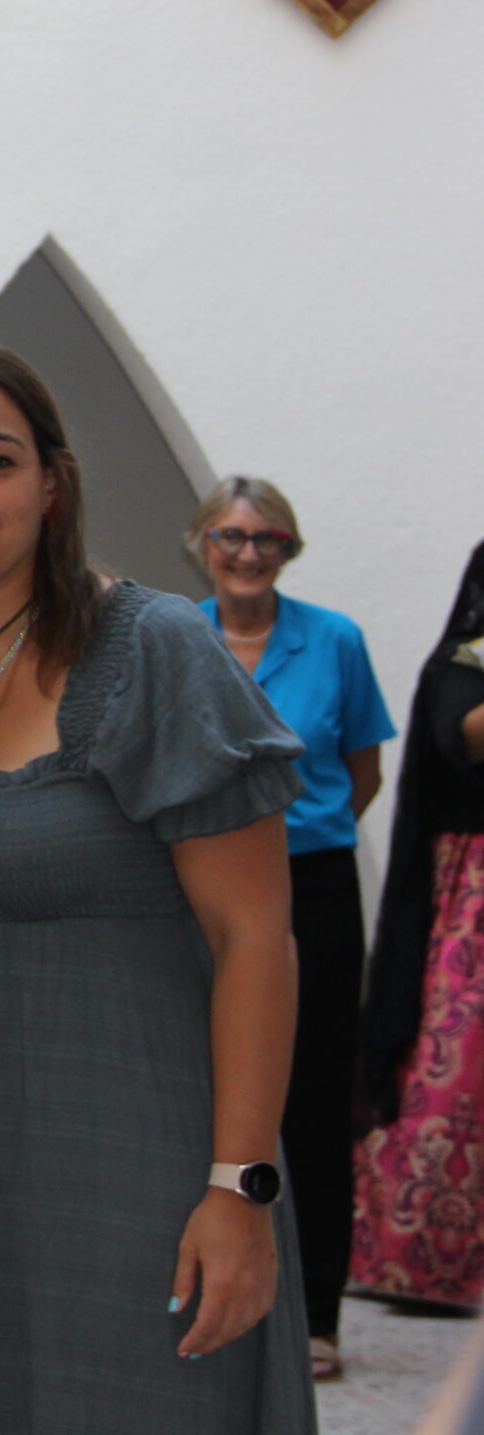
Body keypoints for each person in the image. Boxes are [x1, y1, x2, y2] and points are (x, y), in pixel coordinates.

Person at [0, 341, 315, 1432]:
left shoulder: (153, 649)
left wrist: (237, 1189)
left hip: (135, 1174)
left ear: (52, 484)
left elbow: (256, 936)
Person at [189, 474, 395, 1379]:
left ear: (288, 549)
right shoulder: (171, 634)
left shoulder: (334, 640)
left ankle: (317, 1312)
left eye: (267, 537)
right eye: (230, 535)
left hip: (312, 883)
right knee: (211, 1084)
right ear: (202, 542)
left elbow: (363, 772)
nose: (247, 551)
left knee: (312, 1096)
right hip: (196, 884)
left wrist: (298, 837)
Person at [355, 539, 484, 1312]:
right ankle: (425, 1257)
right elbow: (460, 734)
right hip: (472, 899)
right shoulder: (466, 662)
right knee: (456, 1072)